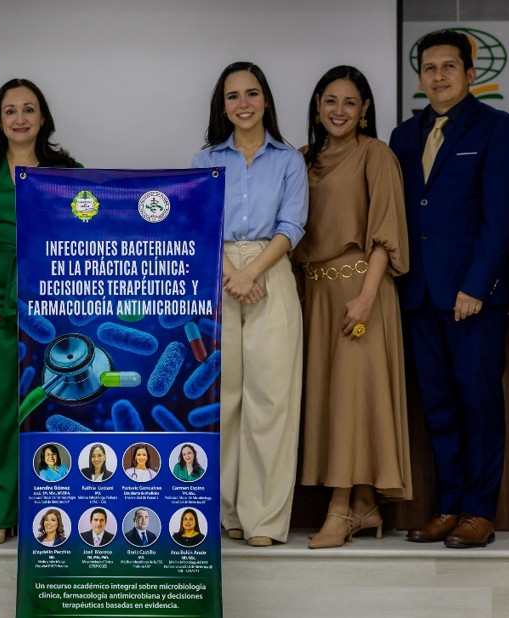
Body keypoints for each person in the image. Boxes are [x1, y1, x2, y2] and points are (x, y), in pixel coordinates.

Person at [388, 30, 509, 548]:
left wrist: (477, 285)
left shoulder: (498, 128)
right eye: (429, 68)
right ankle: (448, 506)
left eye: (449, 66)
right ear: (419, 77)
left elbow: (501, 217)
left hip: (473, 298)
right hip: (419, 295)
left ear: (470, 74)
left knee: (479, 404)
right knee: (439, 407)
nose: (438, 76)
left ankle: (479, 511)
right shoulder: (404, 136)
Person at [293, 66, 412, 549]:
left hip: (361, 289)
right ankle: (364, 506)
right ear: (317, 105)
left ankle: (340, 510)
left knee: (352, 398)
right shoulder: (301, 159)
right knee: (335, 401)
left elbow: (385, 232)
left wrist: (365, 297)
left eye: (349, 102)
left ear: (364, 110)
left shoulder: (375, 154)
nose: (338, 110)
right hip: (315, 296)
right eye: (330, 100)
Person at [0, 78, 79, 546]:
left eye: (29, 109)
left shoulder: (68, 171)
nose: (20, 118)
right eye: (10, 110)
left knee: (49, 410)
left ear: (43, 117)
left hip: (50, 307)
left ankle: (47, 514)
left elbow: (86, 235)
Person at [192, 61, 307, 547]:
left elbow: (292, 225)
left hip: (270, 270)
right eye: (233, 95)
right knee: (225, 399)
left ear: (265, 100)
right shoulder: (205, 159)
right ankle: (228, 514)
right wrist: (231, 274)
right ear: (223, 106)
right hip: (216, 272)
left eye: (252, 93)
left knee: (271, 400)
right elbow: (199, 221)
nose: (243, 103)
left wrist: (251, 272)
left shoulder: (289, 160)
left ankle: (264, 520)